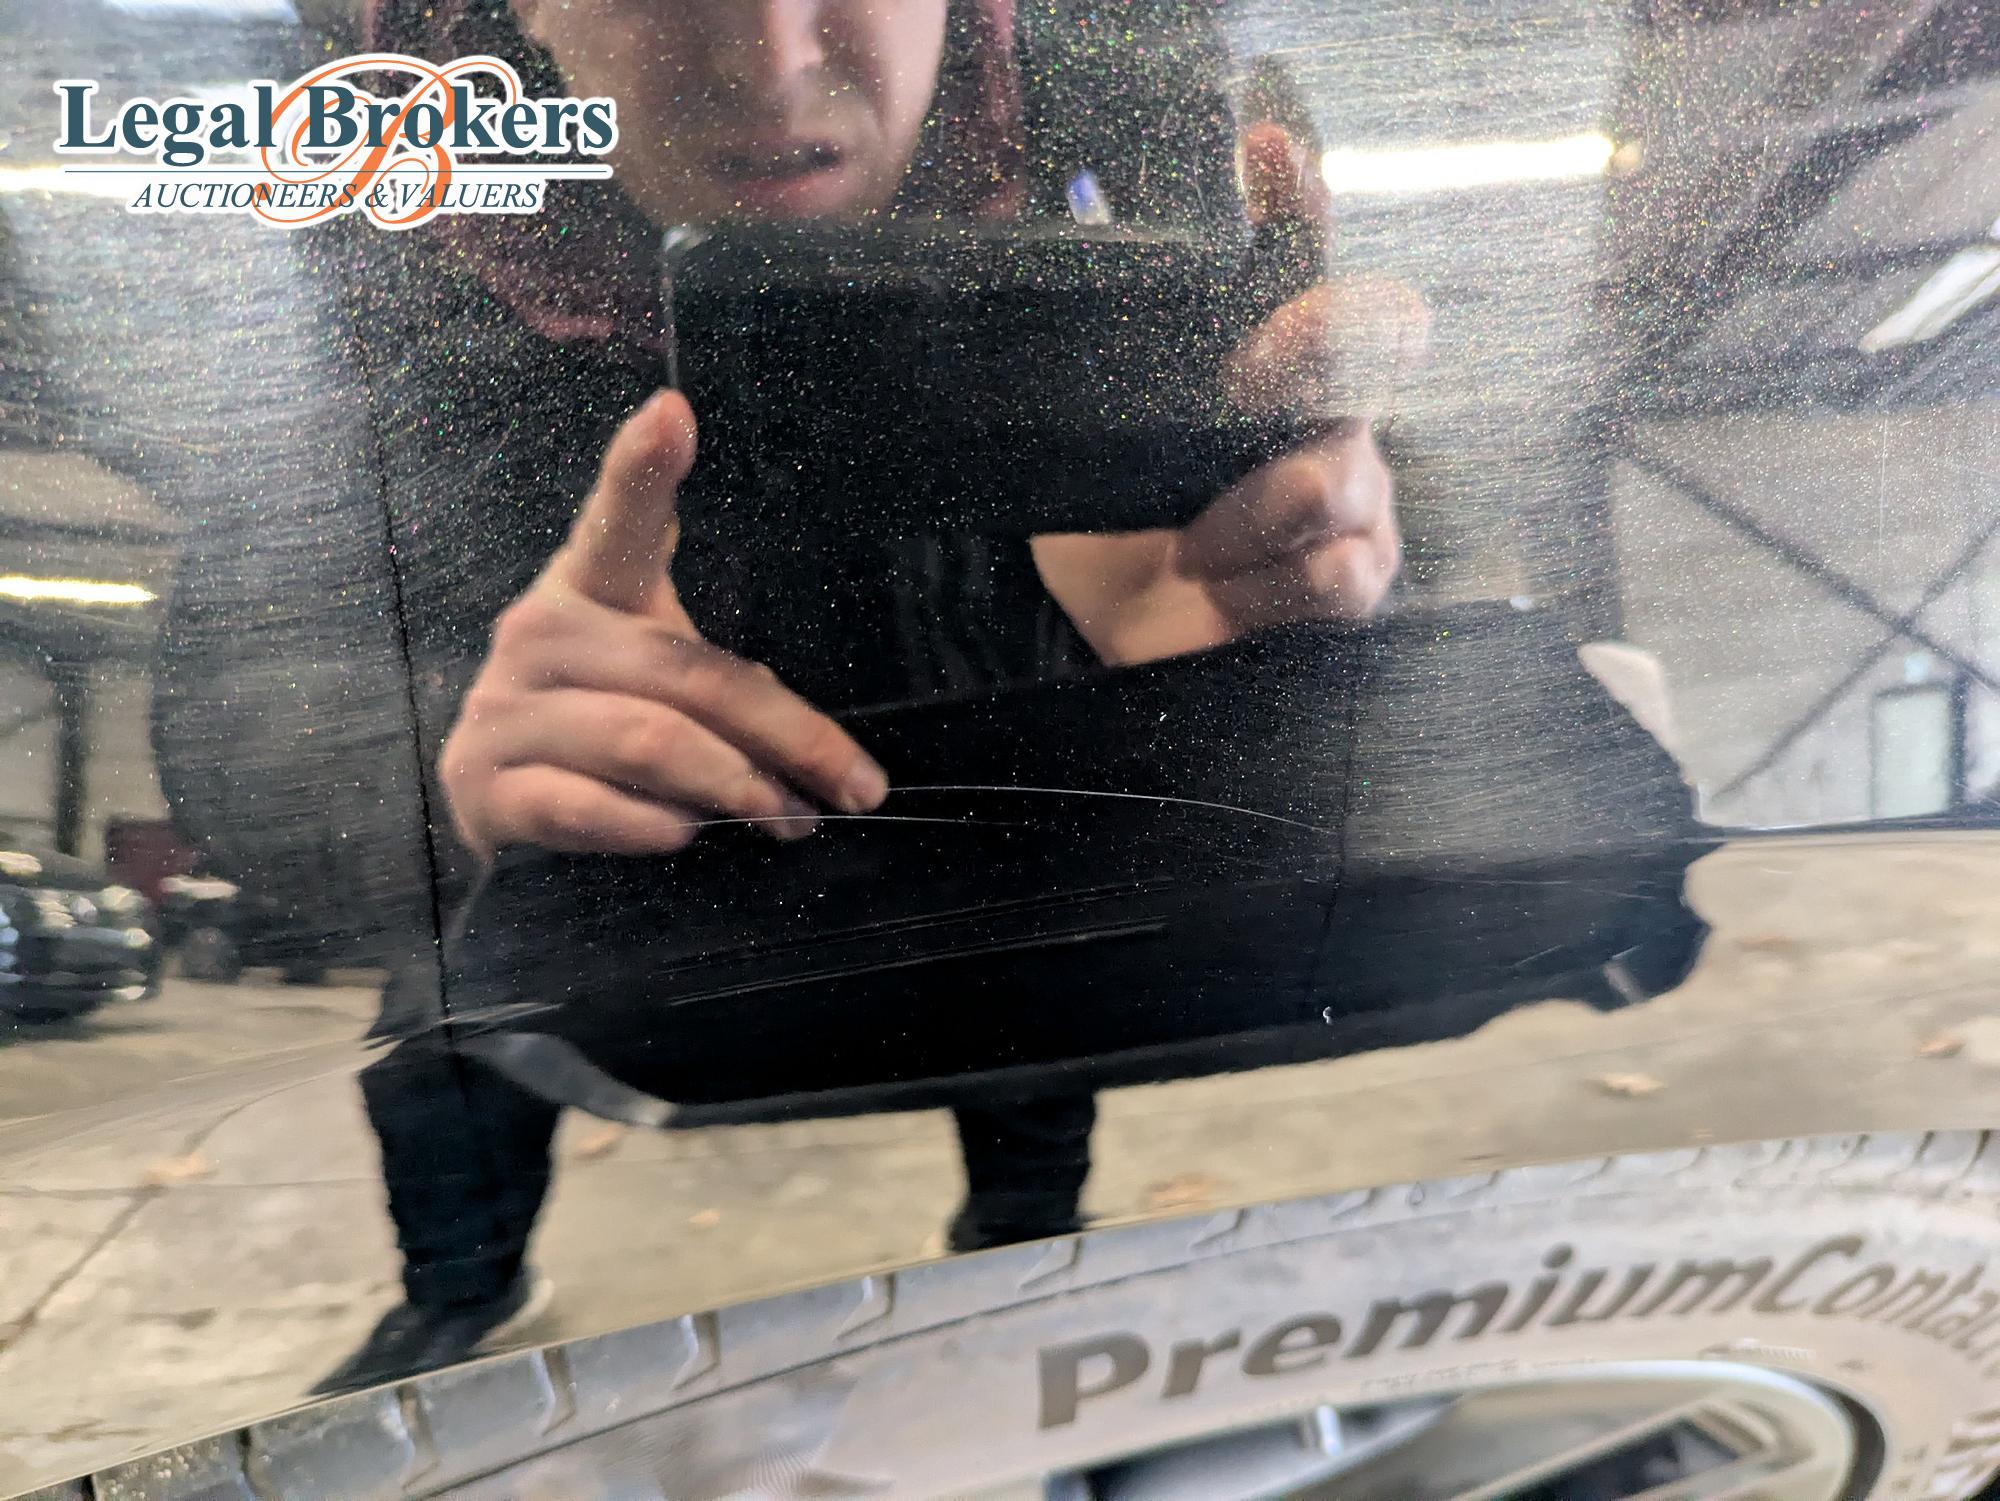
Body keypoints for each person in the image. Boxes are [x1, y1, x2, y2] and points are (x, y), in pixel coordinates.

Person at [155, 0, 1422, 1392]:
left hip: (969, 681)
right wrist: (451, 785)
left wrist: (1287, 599)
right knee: (438, 1027)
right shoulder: (378, 204)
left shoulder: (1127, 136)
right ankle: (465, 1288)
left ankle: (1021, 1236)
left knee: (1032, 951)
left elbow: (1374, 560)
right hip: (599, 743)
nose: (771, 61)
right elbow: (246, 694)